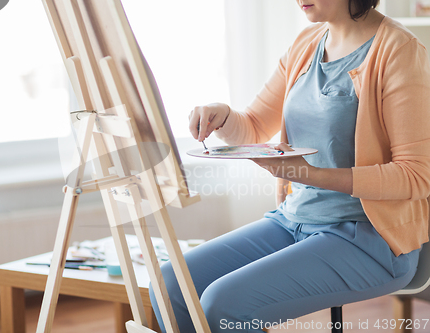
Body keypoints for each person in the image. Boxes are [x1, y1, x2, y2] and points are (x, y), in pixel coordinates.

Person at [150, 0, 430, 332]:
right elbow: (253, 125)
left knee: (224, 304)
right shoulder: (306, 43)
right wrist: (222, 115)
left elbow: (416, 175)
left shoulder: (400, 51)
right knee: (170, 284)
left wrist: (311, 175)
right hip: (293, 219)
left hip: (369, 239)